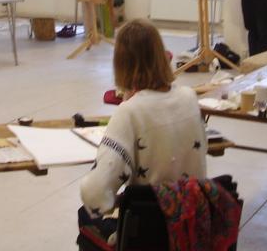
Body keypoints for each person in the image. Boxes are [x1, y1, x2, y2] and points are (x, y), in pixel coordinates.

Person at [78, 19, 206, 244]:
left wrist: (115, 199)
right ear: (161, 55)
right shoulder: (189, 98)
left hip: (150, 235)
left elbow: (95, 195)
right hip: (190, 226)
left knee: (86, 213)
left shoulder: (130, 112)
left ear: (120, 64)